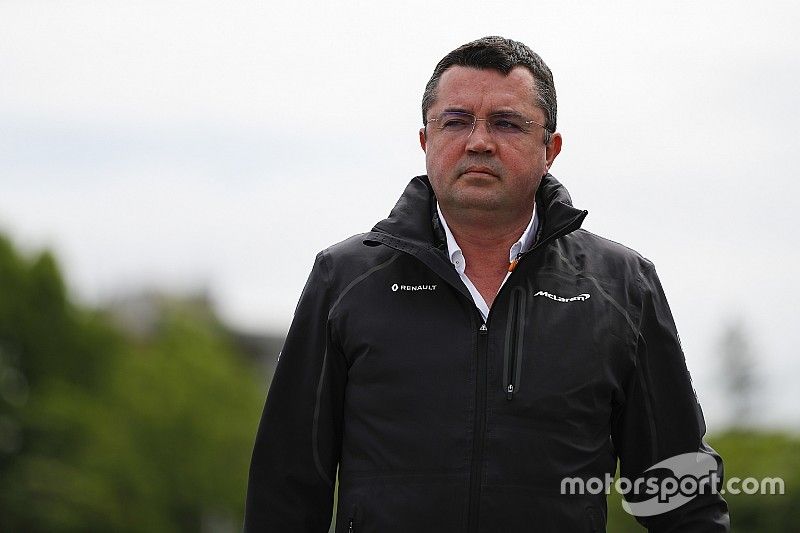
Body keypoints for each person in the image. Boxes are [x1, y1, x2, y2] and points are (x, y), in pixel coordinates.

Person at [244, 36, 730, 532]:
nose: (478, 141)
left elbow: (680, 497)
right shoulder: (344, 280)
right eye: (455, 122)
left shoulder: (623, 288)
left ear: (551, 149)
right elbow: (284, 490)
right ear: (425, 141)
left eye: (506, 123)